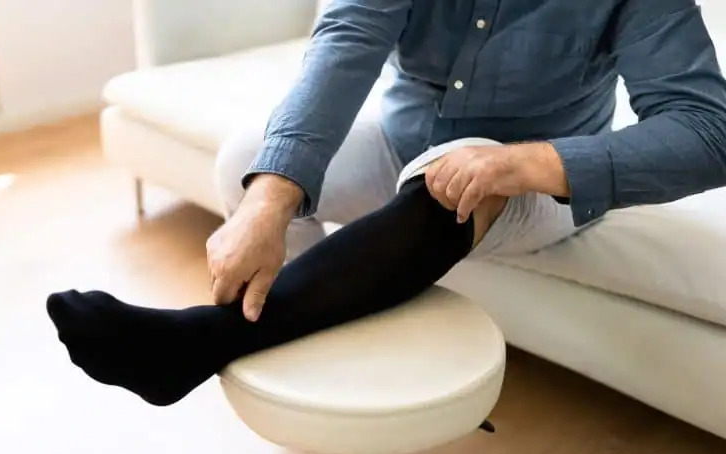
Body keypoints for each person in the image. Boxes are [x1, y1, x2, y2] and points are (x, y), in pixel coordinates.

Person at [46, 0, 726, 406]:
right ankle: (317, 381)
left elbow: (706, 128)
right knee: (247, 161)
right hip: (406, 138)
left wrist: (528, 162)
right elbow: (347, 40)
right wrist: (270, 201)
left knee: (450, 187)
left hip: (536, 181)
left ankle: (196, 343)